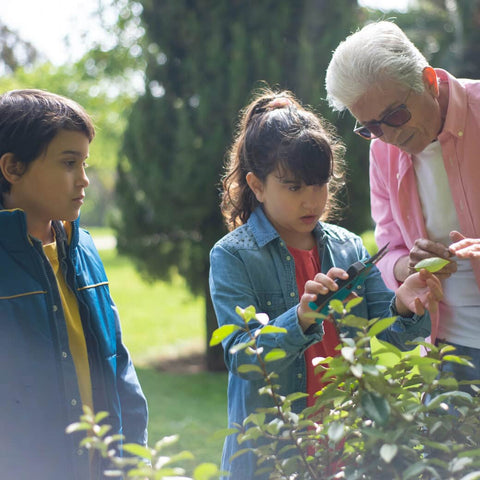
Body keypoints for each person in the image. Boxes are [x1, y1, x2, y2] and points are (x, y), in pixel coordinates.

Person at [209, 88, 443, 480]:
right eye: (294, 186)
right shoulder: (233, 255)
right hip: (274, 454)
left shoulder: (348, 246)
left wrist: (403, 307)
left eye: (321, 184)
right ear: (257, 185)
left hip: (347, 447)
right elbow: (242, 358)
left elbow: (383, 342)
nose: (312, 201)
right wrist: (299, 320)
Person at [0, 89, 148, 480]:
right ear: (12, 167)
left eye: (84, 163)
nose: (84, 180)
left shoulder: (84, 249)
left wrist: (135, 460)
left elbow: (118, 363)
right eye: (69, 163)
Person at [325, 20, 480, 391]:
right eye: (371, 128)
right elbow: (390, 246)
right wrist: (407, 263)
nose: (389, 137)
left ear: (428, 80)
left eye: (395, 116)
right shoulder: (381, 152)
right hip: (448, 350)